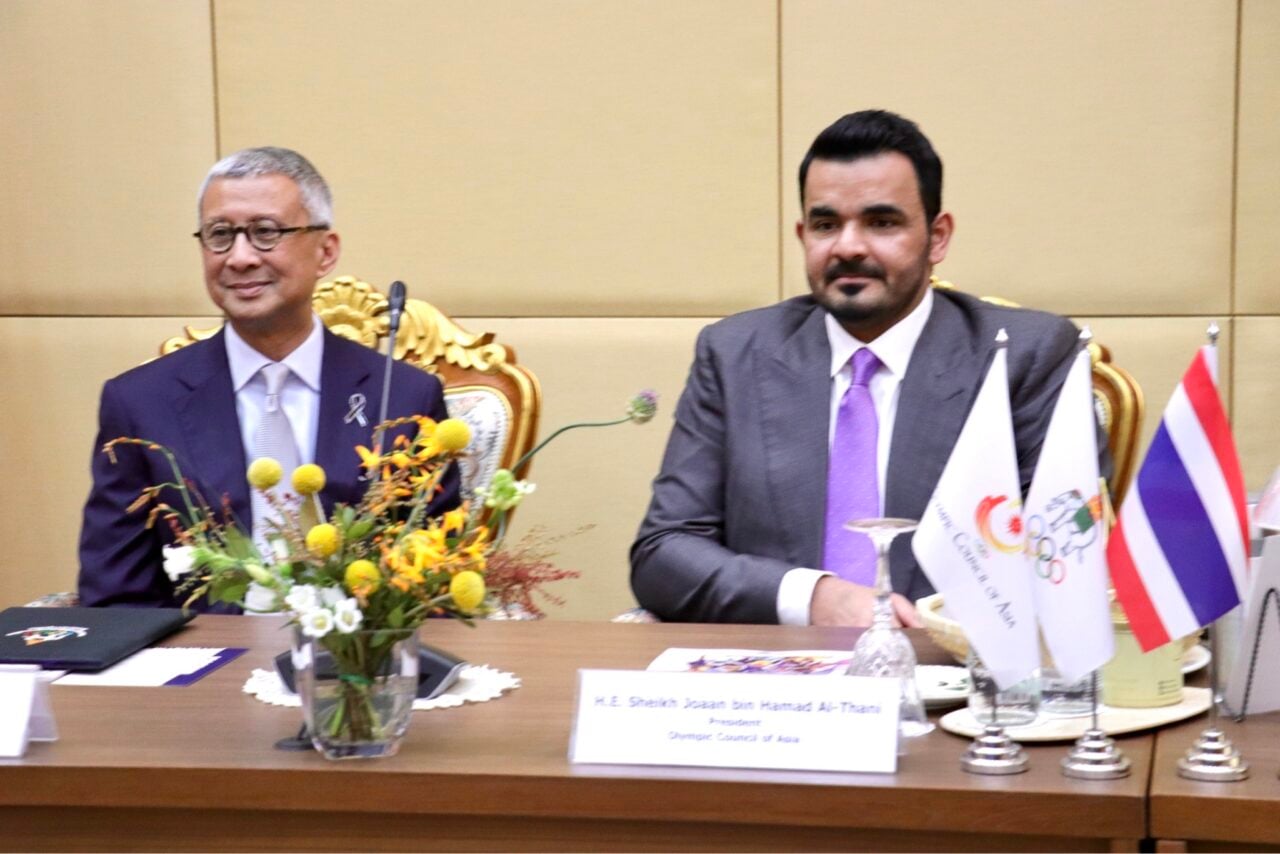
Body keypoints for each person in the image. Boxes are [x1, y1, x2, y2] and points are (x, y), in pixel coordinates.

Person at [631, 110, 1107, 627]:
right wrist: (814, 599)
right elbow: (664, 552)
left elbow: (1063, 556)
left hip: (952, 666)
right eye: (826, 225)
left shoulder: (1025, 356)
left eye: (882, 223)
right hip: (779, 665)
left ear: (938, 237)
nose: (849, 246)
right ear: (803, 235)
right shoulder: (735, 354)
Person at [78, 147, 459, 610]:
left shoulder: (402, 397)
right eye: (220, 235)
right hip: (202, 653)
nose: (239, 258)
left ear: (325, 252)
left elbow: (434, 588)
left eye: (265, 232)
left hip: (357, 651)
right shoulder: (140, 405)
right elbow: (116, 599)